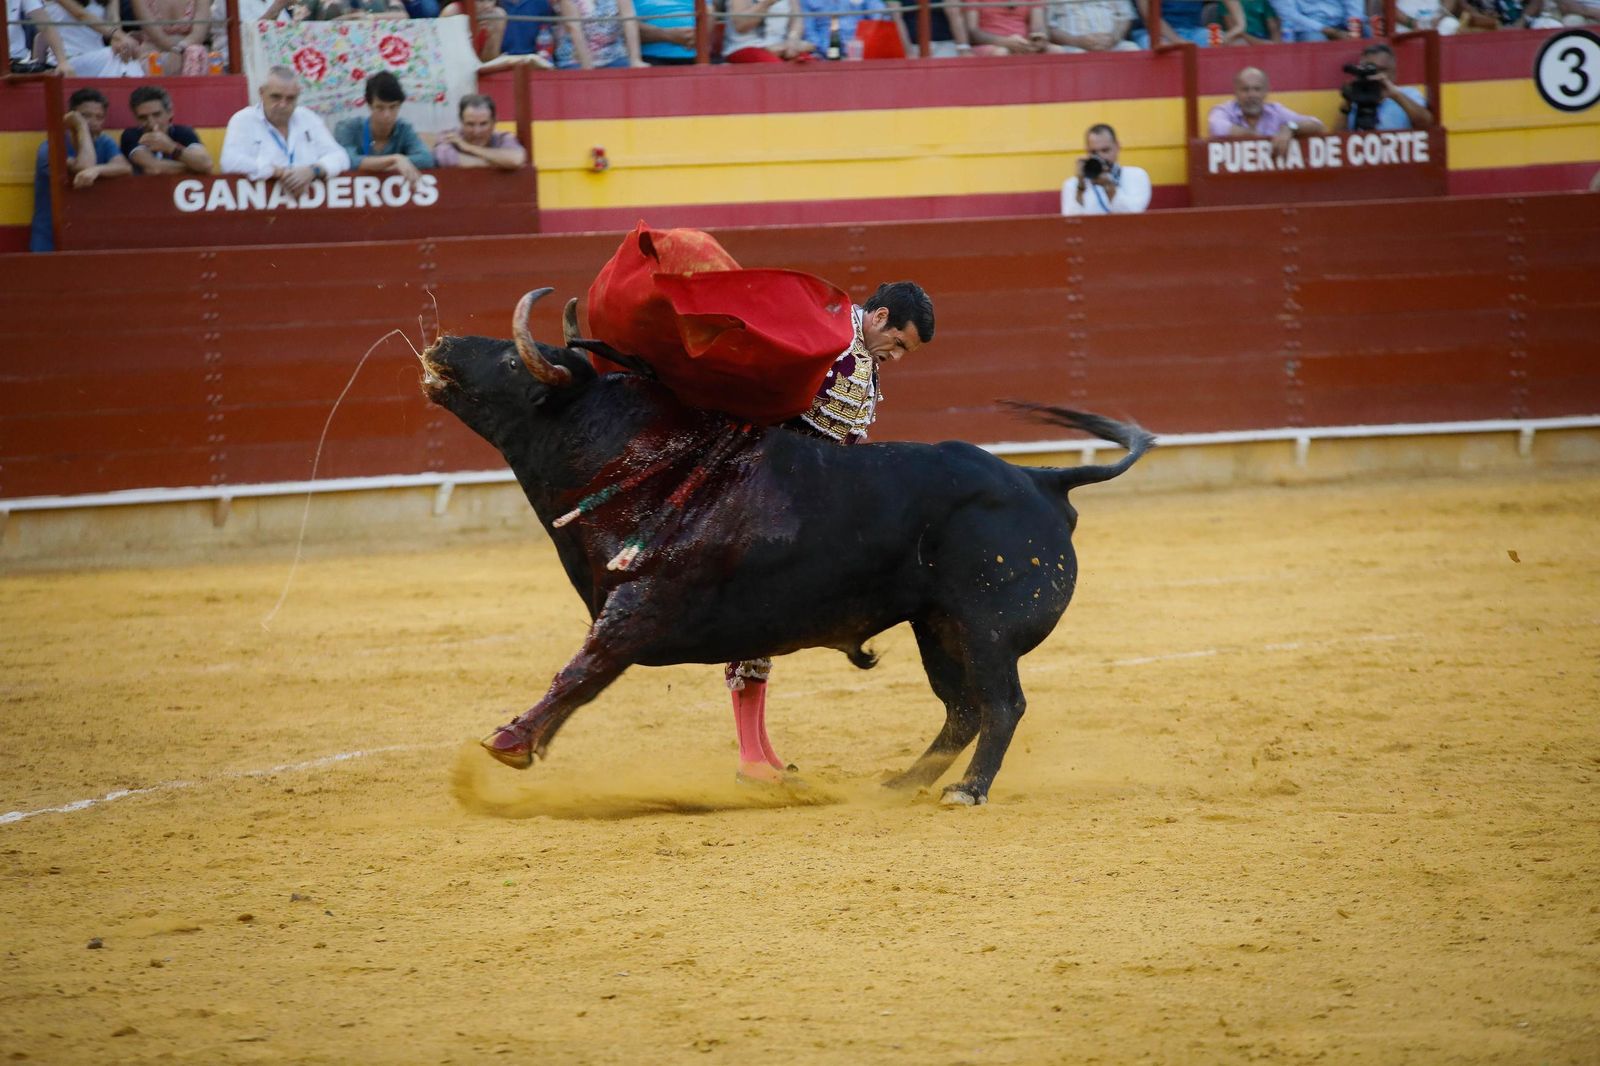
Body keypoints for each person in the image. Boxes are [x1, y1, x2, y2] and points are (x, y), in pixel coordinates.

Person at [727, 280, 935, 783]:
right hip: (768, 498)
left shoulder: (853, 347)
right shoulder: (833, 339)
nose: (898, 356)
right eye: (900, 343)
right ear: (880, 316)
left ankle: (760, 753)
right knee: (758, 622)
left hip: (794, 501)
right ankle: (751, 757)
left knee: (768, 627)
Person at [30, 87, 131, 253]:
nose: (92, 122)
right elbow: (84, 166)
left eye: (99, 117)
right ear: (71, 116)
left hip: (89, 237)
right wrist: (81, 128)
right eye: (85, 116)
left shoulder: (105, 142)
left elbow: (125, 167)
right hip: (50, 239)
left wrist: (97, 170)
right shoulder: (49, 148)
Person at [219, 65, 347, 191]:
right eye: (276, 97)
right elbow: (230, 161)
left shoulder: (307, 117)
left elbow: (340, 157)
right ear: (262, 93)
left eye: (290, 98)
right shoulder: (244, 120)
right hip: (262, 206)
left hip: (310, 204)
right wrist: (276, 171)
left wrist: (313, 170)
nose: (282, 104)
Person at [333, 72, 434, 187]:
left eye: (393, 107)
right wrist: (395, 160)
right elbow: (348, 161)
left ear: (400, 105)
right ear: (369, 106)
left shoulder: (404, 129)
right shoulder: (347, 128)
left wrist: (381, 166)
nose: (387, 115)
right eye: (380, 107)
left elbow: (426, 159)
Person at [1208, 66, 1326, 160]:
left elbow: (1317, 124)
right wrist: (1259, 138)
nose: (1251, 95)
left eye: (1257, 89)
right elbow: (1217, 127)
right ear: (1236, 92)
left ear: (1266, 91)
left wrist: (1290, 128)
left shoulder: (1275, 111)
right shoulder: (1224, 110)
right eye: (1245, 89)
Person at [1061, 123, 1150, 216]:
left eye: (1105, 150)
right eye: (1093, 152)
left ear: (1117, 146)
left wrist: (1108, 187)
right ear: (1087, 150)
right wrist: (1080, 187)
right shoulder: (1073, 184)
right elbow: (1071, 222)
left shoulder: (1136, 175)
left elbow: (1132, 215)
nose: (1100, 156)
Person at [121, 84, 213, 174]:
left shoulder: (184, 132)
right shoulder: (131, 135)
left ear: (170, 113)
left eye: (156, 115)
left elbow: (206, 164)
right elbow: (155, 168)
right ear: (136, 118)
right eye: (143, 118)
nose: (151, 123)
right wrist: (194, 167)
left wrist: (171, 148)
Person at [1341, 42, 1433, 131]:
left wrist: (1395, 95)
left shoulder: (1408, 94)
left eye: (1381, 70)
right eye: (1369, 69)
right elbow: (1338, 138)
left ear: (1394, 73)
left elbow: (1426, 123)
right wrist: (1347, 103)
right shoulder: (1356, 96)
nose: (1375, 75)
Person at [432, 93, 527, 169]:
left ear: (494, 122)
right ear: (461, 122)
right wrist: (498, 163)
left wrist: (469, 147)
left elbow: (516, 159)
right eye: (470, 124)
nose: (476, 131)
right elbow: (445, 158)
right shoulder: (450, 136)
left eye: (483, 124)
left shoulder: (503, 138)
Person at [552, 0, 646, 67]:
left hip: (613, 55)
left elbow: (629, 22)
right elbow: (574, 29)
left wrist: (635, 60)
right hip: (575, 58)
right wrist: (587, 67)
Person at [723, 0, 815, 61]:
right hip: (745, 47)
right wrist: (766, 4)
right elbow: (741, 26)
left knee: (810, 66)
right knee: (777, 71)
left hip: (782, 45)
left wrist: (792, 39)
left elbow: (796, 19)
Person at [1045, 0, 1140, 51]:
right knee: (1074, 55)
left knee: (1132, 49)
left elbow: (1126, 16)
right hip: (1072, 46)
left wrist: (1114, 38)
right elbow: (1048, 27)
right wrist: (1077, 41)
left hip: (1113, 44)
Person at [1131, 0, 1243, 44]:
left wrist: (1240, 25)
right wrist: (1179, 41)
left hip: (1195, 32)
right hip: (1155, 35)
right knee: (1164, 48)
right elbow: (1150, 18)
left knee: (1236, 43)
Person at [965, 0, 1050, 53]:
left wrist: (1038, 40)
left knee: (1056, 51)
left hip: (1024, 43)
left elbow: (1038, 27)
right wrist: (1005, 42)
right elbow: (972, 32)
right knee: (1002, 52)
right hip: (990, 45)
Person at [895, 0, 972, 56]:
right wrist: (909, 53)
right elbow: (897, 19)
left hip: (944, 44)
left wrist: (964, 49)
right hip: (913, 46)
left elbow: (955, 15)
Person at [1270, 0, 1363, 40]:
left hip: (1343, 21)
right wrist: (1326, 30)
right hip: (1310, 27)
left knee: (1367, 32)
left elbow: (1353, 5)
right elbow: (1289, 15)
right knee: (1314, 39)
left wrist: (1354, 30)